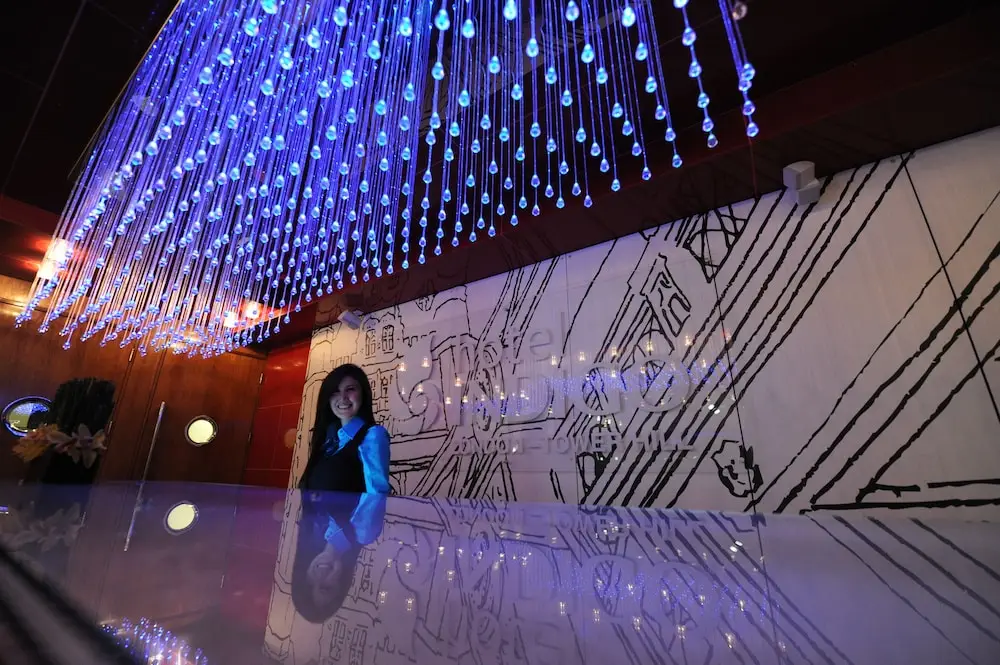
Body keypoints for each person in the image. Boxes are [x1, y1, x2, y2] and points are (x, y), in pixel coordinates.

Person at [291, 491, 387, 623]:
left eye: (309, 583)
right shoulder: (364, 530)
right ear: (340, 586)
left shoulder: (314, 519)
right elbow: (374, 482)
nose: (319, 576)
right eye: (326, 588)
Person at [299, 363, 391, 494]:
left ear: (363, 394)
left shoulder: (373, 435)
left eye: (350, 389)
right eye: (335, 391)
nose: (342, 398)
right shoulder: (328, 440)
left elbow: (376, 497)